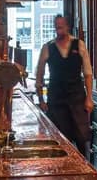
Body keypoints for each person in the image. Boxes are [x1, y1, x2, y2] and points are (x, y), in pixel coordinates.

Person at [35, 14, 93, 156]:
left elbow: (88, 73)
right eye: (56, 27)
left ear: (67, 27)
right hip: (56, 99)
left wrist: (89, 98)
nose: (58, 30)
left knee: (81, 139)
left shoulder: (79, 45)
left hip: (77, 97)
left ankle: (84, 172)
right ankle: (62, 171)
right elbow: (39, 75)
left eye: (60, 27)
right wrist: (41, 100)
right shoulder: (47, 47)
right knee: (59, 141)